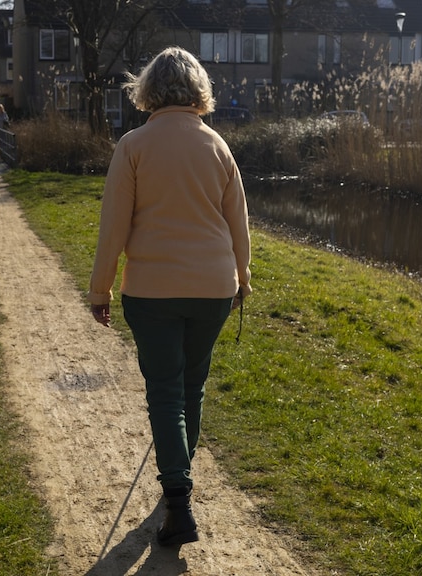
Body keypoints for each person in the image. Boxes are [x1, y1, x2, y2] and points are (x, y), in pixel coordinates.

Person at [88, 46, 251, 548]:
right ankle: (179, 479)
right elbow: (238, 223)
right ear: (198, 88)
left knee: (164, 390)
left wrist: (100, 290)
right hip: (213, 289)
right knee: (190, 386)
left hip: (153, 290)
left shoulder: (133, 146)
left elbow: (113, 227)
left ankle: (178, 501)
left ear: (148, 90)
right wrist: (242, 277)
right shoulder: (217, 146)